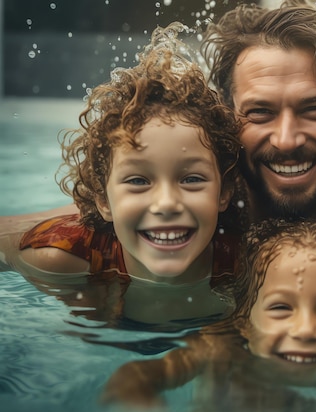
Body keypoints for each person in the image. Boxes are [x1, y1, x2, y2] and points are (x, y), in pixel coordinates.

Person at [0, 22, 242, 326]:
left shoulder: (246, 261)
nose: (166, 203)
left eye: (191, 179)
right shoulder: (62, 257)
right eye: (139, 181)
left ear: (224, 193)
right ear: (103, 200)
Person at [101, 215, 316, 412]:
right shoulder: (219, 349)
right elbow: (134, 378)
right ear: (245, 323)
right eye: (280, 307)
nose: (304, 330)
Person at [202, 1, 316, 239]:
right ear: (227, 114)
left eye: (314, 109)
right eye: (260, 112)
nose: (286, 141)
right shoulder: (205, 199)